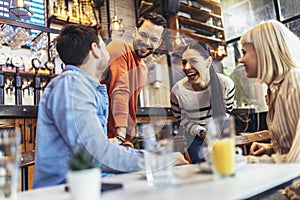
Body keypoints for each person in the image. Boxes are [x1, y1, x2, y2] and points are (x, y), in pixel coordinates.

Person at [33, 24, 188, 188]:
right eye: (103, 45)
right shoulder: (71, 84)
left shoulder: (85, 87)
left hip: (89, 183)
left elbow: (92, 147)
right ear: (95, 49)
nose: (108, 51)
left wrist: (118, 145)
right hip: (65, 190)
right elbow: (95, 154)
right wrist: (160, 160)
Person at [101, 12, 167, 146]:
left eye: (154, 40)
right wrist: (120, 136)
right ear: (135, 31)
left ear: (159, 43)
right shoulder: (119, 47)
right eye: (143, 35)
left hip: (127, 136)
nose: (146, 43)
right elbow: (121, 89)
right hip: (107, 135)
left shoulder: (143, 69)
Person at [239, 20, 300, 163]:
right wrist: (270, 148)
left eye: (244, 52)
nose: (241, 60)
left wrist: (250, 162)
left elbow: (296, 162)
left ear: (263, 51)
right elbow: (292, 146)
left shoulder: (294, 80)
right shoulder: (274, 89)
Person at [170, 41, 235, 163]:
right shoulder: (176, 92)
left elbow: (225, 114)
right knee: (202, 171)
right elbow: (181, 120)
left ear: (208, 62)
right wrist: (200, 131)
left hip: (218, 132)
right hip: (193, 136)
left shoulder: (226, 85)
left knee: (224, 166)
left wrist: (212, 131)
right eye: (184, 62)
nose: (187, 67)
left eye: (193, 61)